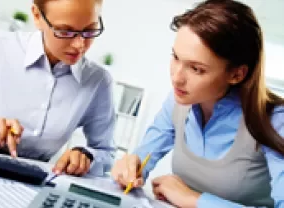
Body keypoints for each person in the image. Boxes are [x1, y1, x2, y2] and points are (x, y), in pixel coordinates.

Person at [111, 0, 284, 207]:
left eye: (196, 69)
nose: (176, 77)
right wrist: (130, 167)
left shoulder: (276, 120)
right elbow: (144, 155)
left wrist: (193, 200)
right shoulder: (179, 101)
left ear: (237, 74)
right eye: (175, 57)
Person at [0, 0, 116, 177]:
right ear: (36, 16)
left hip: (36, 183)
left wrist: (87, 156)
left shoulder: (98, 82)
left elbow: (106, 152)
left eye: (90, 31)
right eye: (65, 31)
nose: (79, 45)